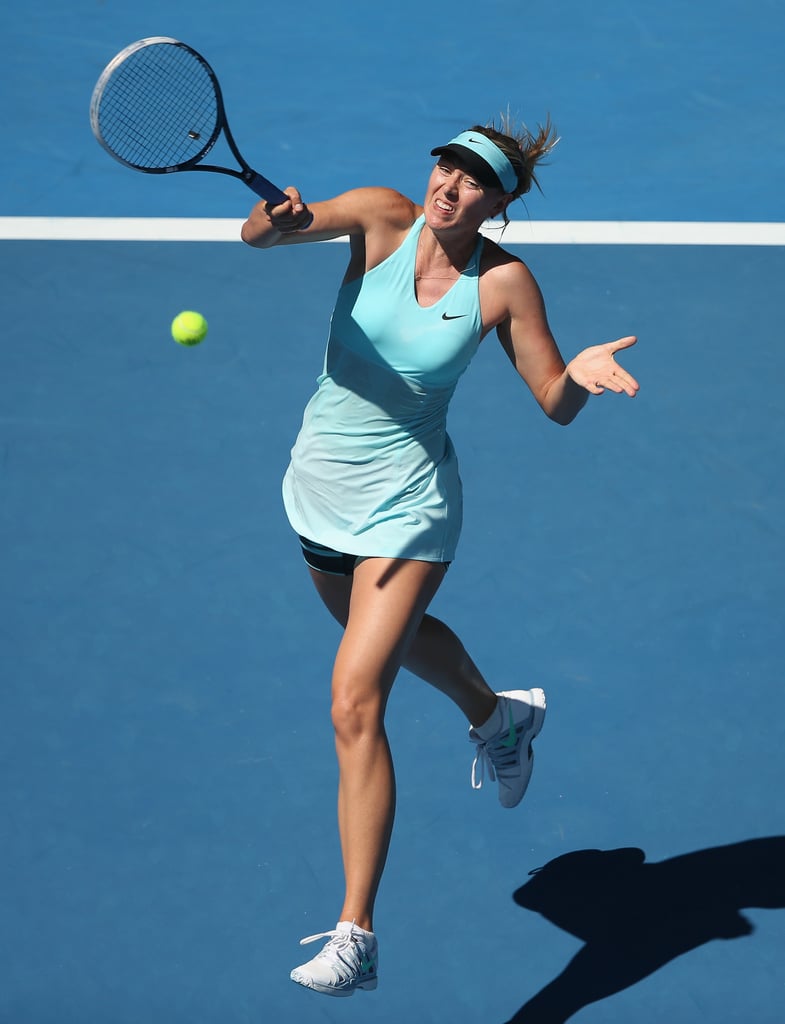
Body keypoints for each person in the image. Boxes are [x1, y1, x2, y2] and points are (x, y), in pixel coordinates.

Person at [241, 117, 639, 998]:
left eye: (472, 180)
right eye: (445, 168)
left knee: (354, 700)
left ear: (499, 202)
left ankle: (357, 935)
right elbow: (261, 235)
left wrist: (578, 372)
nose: (449, 186)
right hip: (318, 490)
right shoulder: (380, 220)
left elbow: (552, 402)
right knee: (375, 634)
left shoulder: (503, 283)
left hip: (408, 510)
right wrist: (276, 219)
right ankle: (498, 717)